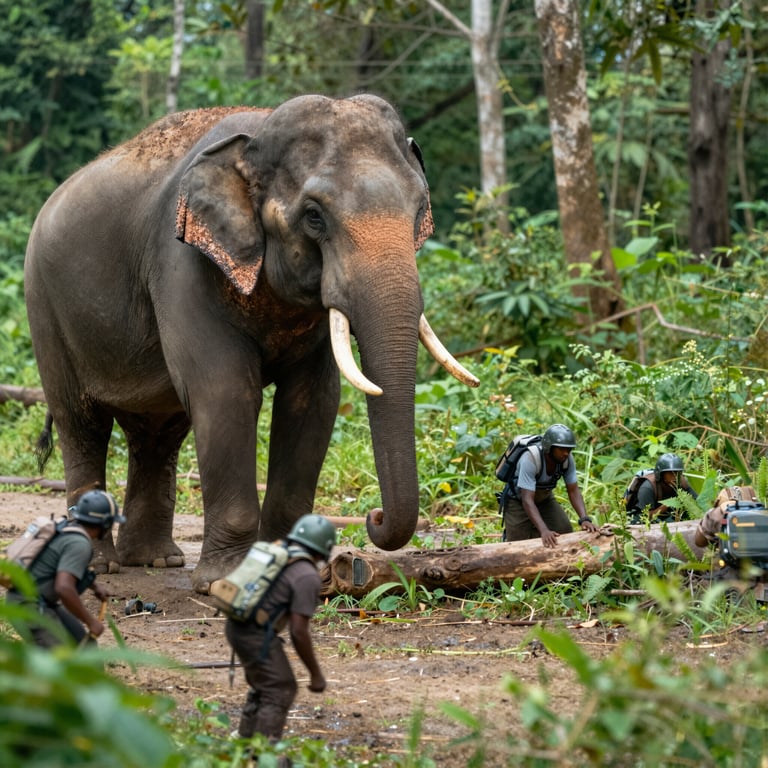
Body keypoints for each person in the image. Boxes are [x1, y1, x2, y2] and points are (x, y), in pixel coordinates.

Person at [226, 514, 336, 745]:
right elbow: (299, 631)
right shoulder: (307, 576)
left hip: (236, 626)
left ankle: (243, 741)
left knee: (265, 683)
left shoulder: (277, 553)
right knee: (280, 688)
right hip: (254, 634)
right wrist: (315, 673)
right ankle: (264, 751)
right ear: (325, 548)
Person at [6, 490, 124, 648]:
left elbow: (67, 564)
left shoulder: (68, 529)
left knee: (84, 645)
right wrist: (91, 622)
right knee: (61, 657)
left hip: (39, 603)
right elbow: (64, 588)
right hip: (28, 606)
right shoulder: (80, 544)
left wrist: (95, 587)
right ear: (105, 523)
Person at [501, 423, 598, 548]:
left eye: (568, 449)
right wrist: (544, 530)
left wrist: (584, 518)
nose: (566, 453)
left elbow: (573, 491)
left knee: (564, 529)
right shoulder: (530, 458)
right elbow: (527, 500)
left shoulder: (567, 460)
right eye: (561, 449)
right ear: (549, 447)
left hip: (544, 499)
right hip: (518, 501)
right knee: (518, 544)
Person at [627, 452, 698, 524]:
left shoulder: (682, 482)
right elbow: (646, 516)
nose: (675, 476)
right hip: (644, 519)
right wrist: (667, 505)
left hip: (668, 516)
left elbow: (697, 502)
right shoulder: (648, 488)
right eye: (670, 473)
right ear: (661, 474)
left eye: (677, 473)